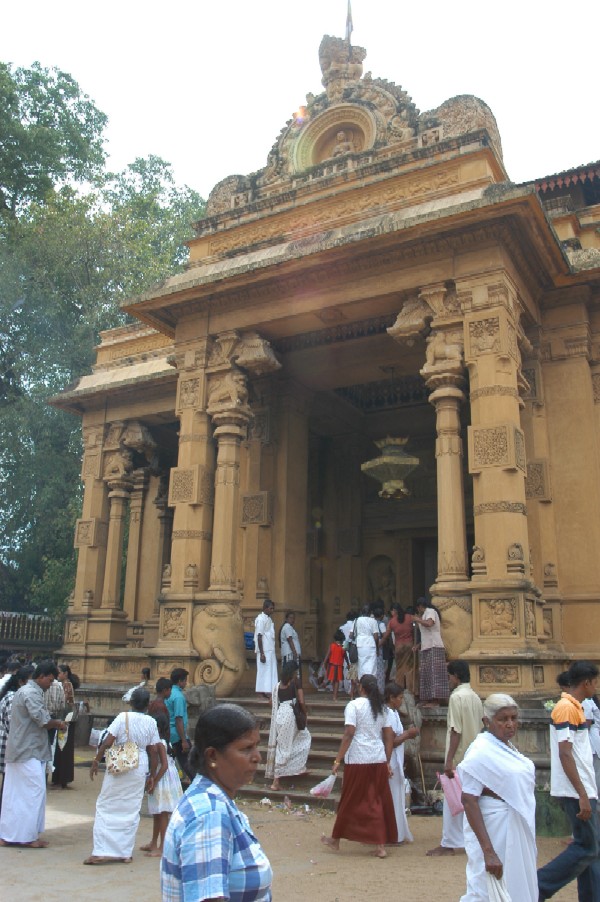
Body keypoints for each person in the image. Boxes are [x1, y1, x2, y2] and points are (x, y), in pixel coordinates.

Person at [161, 703, 272, 901]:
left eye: (256, 746)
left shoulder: (214, 800)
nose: (257, 757)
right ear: (212, 756)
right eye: (246, 749)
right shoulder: (209, 814)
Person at [458, 693, 537, 902]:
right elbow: (469, 799)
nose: (510, 724)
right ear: (487, 721)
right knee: (487, 889)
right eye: (503, 719)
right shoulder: (480, 752)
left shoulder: (506, 747)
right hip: (496, 828)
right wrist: (488, 851)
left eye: (514, 718)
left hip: (513, 825)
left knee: (516, 884)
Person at [537, 660, 600, 901]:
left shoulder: (575, 707)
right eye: (595, 682)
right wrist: (582, 794)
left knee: (591, 847)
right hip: (577, 789)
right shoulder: (566, 708)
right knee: (587, 846)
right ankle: (540, 886)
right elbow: (565, 753)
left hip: (582, 787)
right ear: (587, 682)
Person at [321, 674, 397, 858]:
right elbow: (389, 736)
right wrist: (386, 761)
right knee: (376, 798)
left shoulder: (354, 706)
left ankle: (340, 839)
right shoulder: (382, 709)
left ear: (361, 688)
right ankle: (375, 843)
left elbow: (349, 733)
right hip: (377, 758)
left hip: (358, 759)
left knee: (350, 799)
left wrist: (337, 760)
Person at [85, 687, 160, 865]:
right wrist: (152, 775)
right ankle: (124, 852)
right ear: (148, 704)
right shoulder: (151, 722)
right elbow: (154, 751)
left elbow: (107, 742)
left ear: (131, 703)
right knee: (131, 809)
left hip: (120, 763)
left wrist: (96, 760)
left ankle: (101, 851)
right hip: (140, 764)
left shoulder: (122, 717)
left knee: (106, 805)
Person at [0, 661, 68, 848]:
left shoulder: (28, 692)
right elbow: (42, 719)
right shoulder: (30, 693)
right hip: (27, 751)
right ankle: (28, 836)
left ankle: (9, 834)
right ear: (41, 676)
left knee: (14, 793)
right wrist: (59, 723)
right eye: (50, 680)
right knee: (34, 791)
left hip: (22, 750)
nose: (51, 684)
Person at [427, 660, 483, 857]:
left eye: (450, 676)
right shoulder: (475, 697)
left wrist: (448, 760)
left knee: (452, 800)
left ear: (456, 676)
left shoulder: (457, 697)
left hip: (460, 757)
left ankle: (449, 842)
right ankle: (471, 840)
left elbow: (455, 730)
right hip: (475, 757)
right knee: (471, 800)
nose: (449, 680)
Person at [141, 712, 182, 857]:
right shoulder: (165, 741)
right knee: (158, 812)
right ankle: (153, 842)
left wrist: (154, 780)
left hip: (163, 778)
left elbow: (163, 765)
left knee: (163, 812)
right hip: (165, 777)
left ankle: (163, 846)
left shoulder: (160, 743)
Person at [265, 661, 311, 792]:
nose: (297, 674)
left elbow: (271, 702)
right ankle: (276, 780)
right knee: (289, 745)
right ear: (293, 672)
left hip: (281, 714)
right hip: (291, 714)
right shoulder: (295, 683)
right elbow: (301, 701)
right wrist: (305, 713)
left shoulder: (278, 686)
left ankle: (297, 767)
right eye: (296, 672)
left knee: (294, 740)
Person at [384, 682, 418, 844]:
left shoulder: (393, 712)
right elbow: (391, 741)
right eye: (399, 698)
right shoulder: (388, 714)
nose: (401, 701)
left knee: (396, 796)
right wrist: (407, 734)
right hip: (391, 759)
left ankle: (395, 831)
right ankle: (391, 832)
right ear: (391, 698)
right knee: (392, 796)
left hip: (395, 760)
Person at [0, 664, 34, 813]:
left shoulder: (15, 696)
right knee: (9, 784)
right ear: (21, 682)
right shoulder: (13, 698)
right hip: (8, 745)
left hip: (10, 745)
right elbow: (14, 725)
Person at [413, 597, 448, 706]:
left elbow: (429, 624)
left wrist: (417, 619)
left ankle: (435, 700)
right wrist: (418, 645)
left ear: (419, 607)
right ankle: (426, 697)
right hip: (426, 647)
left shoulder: (430, 612)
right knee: (425, 673)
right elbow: (425, 633)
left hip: (434, 646)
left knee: (434, 673)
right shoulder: (423, 615)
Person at [51, 664, 81, 790]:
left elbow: (65, 704)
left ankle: (62, 778)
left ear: (65, 674)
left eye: (59, 673)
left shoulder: (66, 685)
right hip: (64, 718)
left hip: (66, 719)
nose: (58, 676)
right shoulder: (63, 684)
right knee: (61, 748)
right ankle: (59, 777)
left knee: (63, 748)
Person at [380, 603, 417, 693]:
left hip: (399, 647)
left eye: (391, 611)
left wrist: (379, 644)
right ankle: (411, 690)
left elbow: (386, 636)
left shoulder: (392, 621)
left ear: (394, 611)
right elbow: (418, 625)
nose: (391, 613)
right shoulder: (409, 617)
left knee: (399, 668)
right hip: (409, 645)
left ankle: (399, 690)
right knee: (410, 668)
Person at [166, 668, 194, 782]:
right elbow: (178, 719)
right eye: (185, 680)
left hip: (169, 733)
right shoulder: (178, 697)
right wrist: (184, 740)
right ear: (180, 681)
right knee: (189, 763)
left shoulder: (168, 693)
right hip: (177, 735)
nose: (186, 683)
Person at [255, 599, 277, 699]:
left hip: (270, 649)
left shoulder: (269, 619)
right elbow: (259, 636)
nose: (272, 610)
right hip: (264, 650)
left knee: (270, 671)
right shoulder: (261, 619)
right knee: (264, 671)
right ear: (265, 608)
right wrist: (262, 653)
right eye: (271, 608)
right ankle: (261, 691)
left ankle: (269, 691)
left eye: (273, 608)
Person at [353, 605, 379, 680]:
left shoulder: (357, 620)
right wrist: (377, 648)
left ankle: (362, 683)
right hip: (371, 644)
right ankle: (371, 682)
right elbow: (376, 636)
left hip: (360, 644)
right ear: (371, 612)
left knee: (361, 664)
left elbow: (351, 634)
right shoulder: (373, 621)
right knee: (371, 665)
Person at [323, 629, 348, 702]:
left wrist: (324, 664)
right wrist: (348, 664)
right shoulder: (343, 647)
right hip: (338, 666)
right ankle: (335, 696)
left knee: (334, 681)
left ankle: (334, 695)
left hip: (332, 666)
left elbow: (327, 656)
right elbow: (345, 657)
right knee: (336, 681)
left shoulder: (332, 646)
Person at [279, 610, 302, 683]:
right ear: (286, 619)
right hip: (290, 654)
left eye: (293, 618)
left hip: (292, 654)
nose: (292, 620)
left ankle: (294, 689)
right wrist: (294, 652)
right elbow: (290, 639)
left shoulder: (290, 628)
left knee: (295, 673)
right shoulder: (287, 627)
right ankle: (288, 689)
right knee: (289, 673)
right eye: (290, 618)